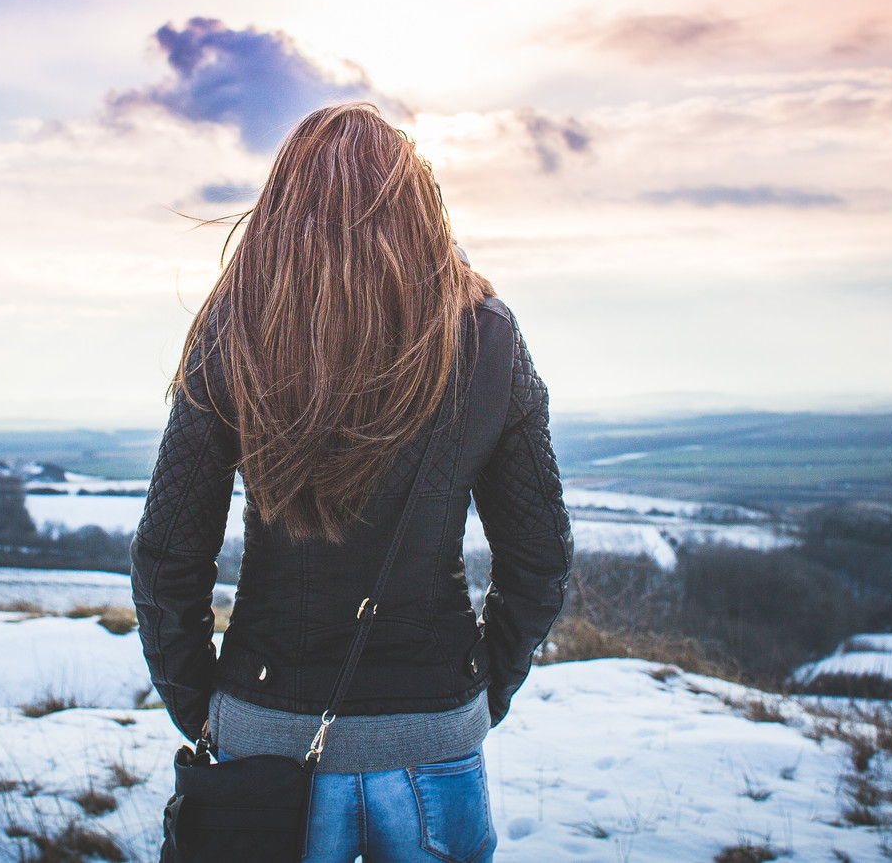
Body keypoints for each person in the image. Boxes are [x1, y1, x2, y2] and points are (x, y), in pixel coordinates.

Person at [132, 103, 573, 863]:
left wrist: (207, 707)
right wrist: (470, 696)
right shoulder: (487, 334)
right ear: (419, 205)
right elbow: (541, 559)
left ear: (282, 206)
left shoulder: (237, 328)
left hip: (264, 736)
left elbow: (165, 558)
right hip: (436, 731)